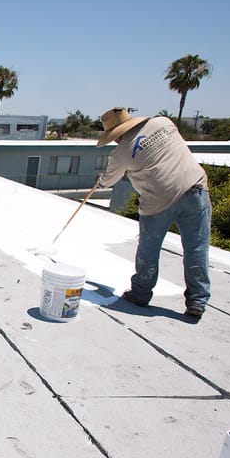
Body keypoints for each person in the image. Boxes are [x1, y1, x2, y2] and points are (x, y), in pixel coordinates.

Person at [95, 107, 211, 319]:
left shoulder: (121, 153)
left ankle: (140, 293)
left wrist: (101, 179)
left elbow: (109, 181)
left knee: (149, 248)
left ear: (117, 134)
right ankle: (197, 301)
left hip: (159, 201)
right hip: (195, 189)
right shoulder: (164, 123)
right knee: (196, 246)